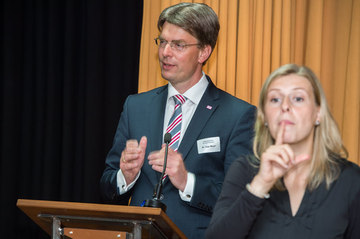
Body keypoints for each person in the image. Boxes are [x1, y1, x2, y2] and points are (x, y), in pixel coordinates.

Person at [99, 3, 256, 239]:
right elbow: (107, 186)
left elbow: (240, 202)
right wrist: (125, 177)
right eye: (162, 42)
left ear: (204, 52)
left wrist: (187, 182)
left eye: (178, 45)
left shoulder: (238, 115)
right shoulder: (136, 106)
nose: (165, 52)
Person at [205, 64, 360, 239]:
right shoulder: (243, 171)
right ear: (264, 117)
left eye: (298, 98)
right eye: (275, 99)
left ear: (318, 113)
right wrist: (260, 185)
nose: (285, 106)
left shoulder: (350, 180)